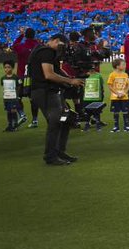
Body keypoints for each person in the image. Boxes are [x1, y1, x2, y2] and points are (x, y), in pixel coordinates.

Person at [28, 34, 84, 166]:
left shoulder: (40, 50)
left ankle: (59, 152)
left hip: (46, 92)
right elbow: (49, 74)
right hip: (45, 92)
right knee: (56, 123)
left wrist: (70, 79)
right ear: (56, 41)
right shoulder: (47, 52)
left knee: (66, 120)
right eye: (61, 46)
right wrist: (70, 80)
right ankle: (51, 156)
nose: (61, 50)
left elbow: (57, 71)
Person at [12, 27, 41, 127]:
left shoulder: (21, 46)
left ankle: (22, 115)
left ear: (26, 35)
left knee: (17, 97)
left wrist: (21, 35)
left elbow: (14, 45)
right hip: (34, 76)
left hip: (21, 76)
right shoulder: (38, 46)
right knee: (33, 99)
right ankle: (35, 120)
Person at [106, 58, 129, 133]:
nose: (125, 66)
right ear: (117, 66)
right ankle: (116, 126)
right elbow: (110, 86)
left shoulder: (125, 74)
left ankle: (126, 126)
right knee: (116, 112)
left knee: (125, 112)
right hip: (115, 97)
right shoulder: (112, 75)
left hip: (124, 97)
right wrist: (117, 93)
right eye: (123, 64)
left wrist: (124, 93)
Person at [80, 60, 106, 131]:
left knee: (97, 112)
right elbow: (82, 86)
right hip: (87, 97)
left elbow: (101, 87)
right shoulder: (84, 76)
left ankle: (98, 125)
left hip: (96, 97)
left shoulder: (99, 75)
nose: (92, 68)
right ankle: (87, 125)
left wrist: (102, 96)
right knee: (87, 113)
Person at [0, 60, 26, 132]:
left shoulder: (16, 78)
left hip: (14, 98)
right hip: (6, 98)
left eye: (9, 67)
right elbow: (3, 87)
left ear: (12, 68)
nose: (7, 69)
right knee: (8, 112)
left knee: (13, 111)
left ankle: (15, 125)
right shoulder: (3, 78)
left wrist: (18, 96)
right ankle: (10, 125)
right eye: (5, 67)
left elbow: (19, 87)